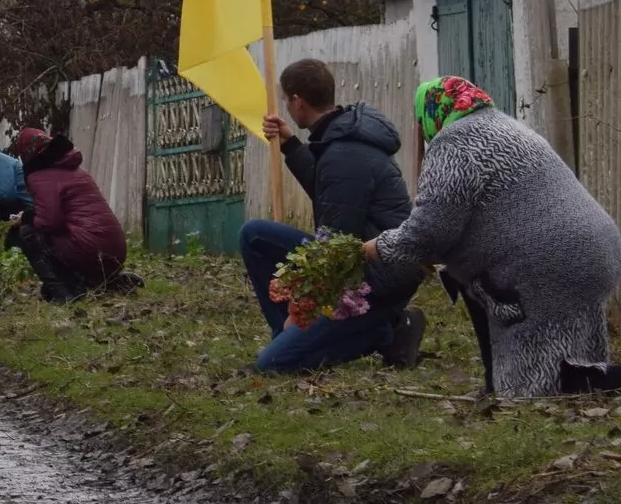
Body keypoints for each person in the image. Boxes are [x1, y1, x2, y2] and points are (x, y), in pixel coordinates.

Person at [365, 76, 621, 398]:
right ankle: (556, 381)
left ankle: (566, 385)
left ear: (432, 111)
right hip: (598, 250)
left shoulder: (454, 143)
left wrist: (378, 247)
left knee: (531, 391)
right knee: (568, 360)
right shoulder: (507, 127)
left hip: (547, 264)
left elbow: (430, 231)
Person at [240, 58, 425, 374]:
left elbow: (336, 249)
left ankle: (388, 330)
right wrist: (290, 145)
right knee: (254, 235)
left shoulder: (344, 154)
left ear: (298, 101)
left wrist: (299, 310)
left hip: (379, 279)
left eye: (287, 101)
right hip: (362, 259)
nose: (287, 108)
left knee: (272, 364)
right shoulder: (341, 137)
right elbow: (332, 194)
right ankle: (286, 338)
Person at [9, 128, 133, 302]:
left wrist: (25, 218)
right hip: (116, 250)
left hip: (90, 250)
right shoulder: (76, 169)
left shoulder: (39, 175)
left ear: (26, 153)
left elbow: (50, 221)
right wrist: (31, 214)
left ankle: (63, 293)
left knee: (27, 232)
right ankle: (107, 282)